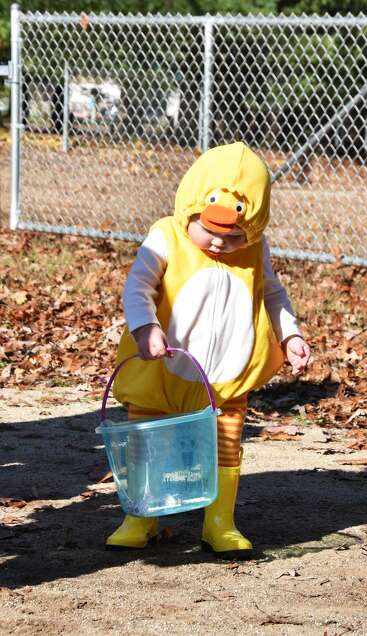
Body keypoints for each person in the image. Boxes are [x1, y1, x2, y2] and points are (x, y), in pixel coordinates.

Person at [106, 142, 312, 556]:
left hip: (226, 368)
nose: (219, 244)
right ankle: (140, 515)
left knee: (226, 436)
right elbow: (138, 286)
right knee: (147, 434)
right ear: (190, 210)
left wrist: (290, 335)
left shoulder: (256, 248)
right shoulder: (166, 235)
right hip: (161, 364)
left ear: (251, 227)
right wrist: (145, 326)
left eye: (233, 235)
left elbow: (273, 293)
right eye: (209, 231)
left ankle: (219, 522)